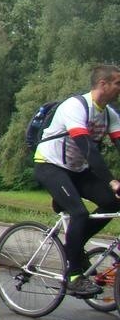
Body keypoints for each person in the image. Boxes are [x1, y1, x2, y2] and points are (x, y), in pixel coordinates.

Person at [33, 64, 120, 297]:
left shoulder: (109, 114)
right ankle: (73, 276)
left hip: (76, 170)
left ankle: (76, 243)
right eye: (118, 83)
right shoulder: (75, 106)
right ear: (103, 84)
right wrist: (112, 181)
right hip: (50, 165)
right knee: (80, 213)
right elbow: (88, 148)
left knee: (113, 203)